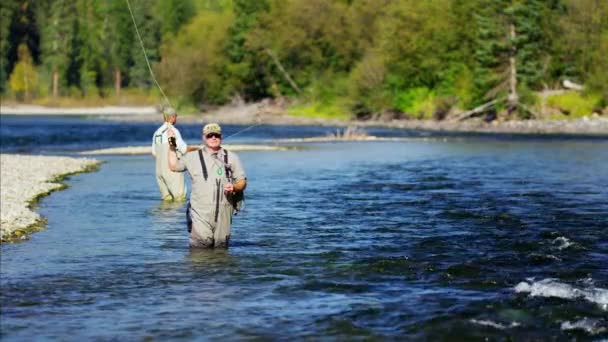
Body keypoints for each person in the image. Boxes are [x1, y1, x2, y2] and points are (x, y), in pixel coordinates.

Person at [167, 123, 247, 248]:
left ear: (221, 137)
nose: (213, 138)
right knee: (200, 250)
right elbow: (173, 166)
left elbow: (242, 181)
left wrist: (234, 187)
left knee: (221, 250)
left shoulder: (232, 157)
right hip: (200, 214)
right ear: (204, 138)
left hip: (224, 213)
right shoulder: (192, 156)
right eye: (210, 135)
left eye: (216, 135)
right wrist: (172, 147)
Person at [151, 108, 188, 201]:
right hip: (172, 171)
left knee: (166, 201)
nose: (176, 119)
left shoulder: (156, 133)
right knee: (179, 199)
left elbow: (154, 153)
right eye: (176, 116)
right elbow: (183, 148)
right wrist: (198, 149)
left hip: (159, 173)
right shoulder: (173, 131)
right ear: (172, 117)